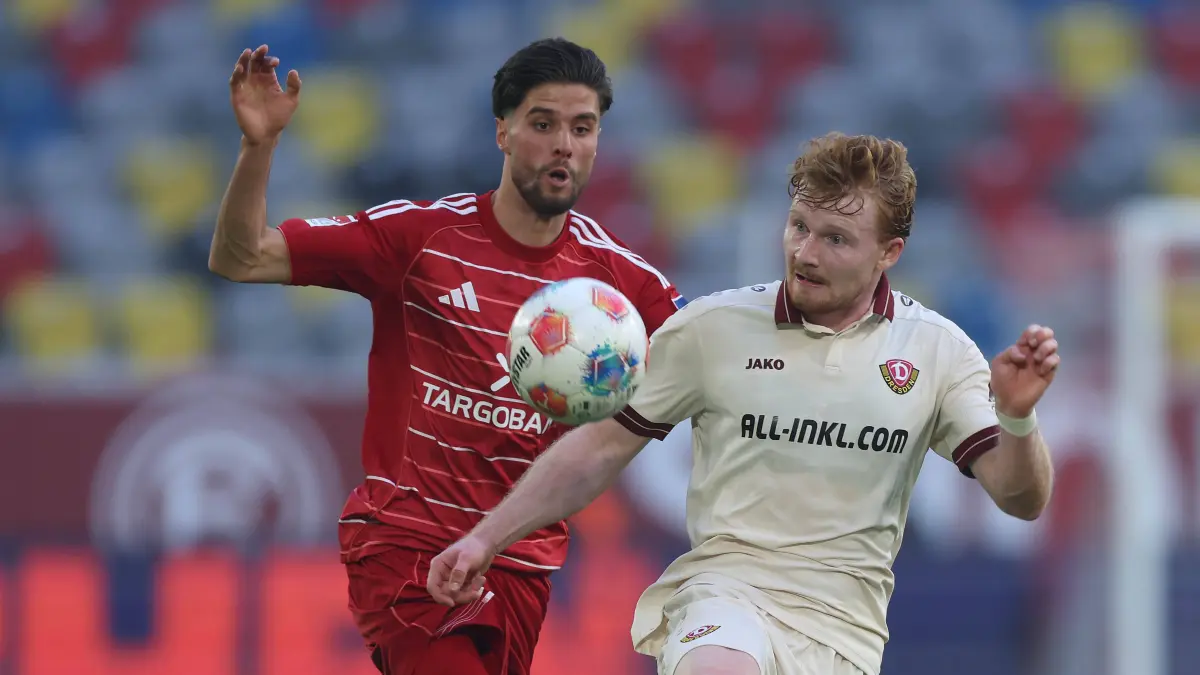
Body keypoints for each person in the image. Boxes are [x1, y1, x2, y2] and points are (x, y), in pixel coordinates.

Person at [428, 132, 1059, 675]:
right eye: (798, 227)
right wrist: (485, 538)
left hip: (845, 631)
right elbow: (598, 448)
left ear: (889, 253)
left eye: (836, 239)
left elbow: (1020, 498)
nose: (805, 253)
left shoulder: (938, 351)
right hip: (725, 591)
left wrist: (1018, 417)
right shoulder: (713, 329)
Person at [210, 37, 685, 675]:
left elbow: (719, 363)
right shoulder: (422, 238)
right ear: (504, 133)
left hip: (519, 569)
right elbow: (241, 257)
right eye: (543, 124)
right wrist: (259, 144)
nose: (563, 145)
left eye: (583, 127)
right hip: (406, 547)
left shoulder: (623, 284)